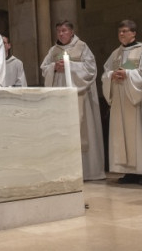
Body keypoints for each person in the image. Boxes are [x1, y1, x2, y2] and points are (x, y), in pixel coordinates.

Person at [41, 20, 105, 180]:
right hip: (60, 99)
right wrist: (54, 68)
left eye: (64, 30)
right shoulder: (53, 50)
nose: (61, 34)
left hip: (79, 96)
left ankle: (88, 171)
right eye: (58, 31)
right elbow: (44, 68)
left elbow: (91, 69)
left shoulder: (82, 47)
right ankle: (65, 170)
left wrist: (70, 66)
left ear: (71, 32)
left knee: (83, 130)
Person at [101, 20, 142, 185]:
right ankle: (129, 172)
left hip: (137, 101)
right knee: (123, 137)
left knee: (140, 136)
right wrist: (111, 76)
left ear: (134, 33)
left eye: (125, 31)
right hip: (120, 101)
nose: (121, 34)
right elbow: (105, 73)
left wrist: (128, 74)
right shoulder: (115, 54)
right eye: (120, 31)